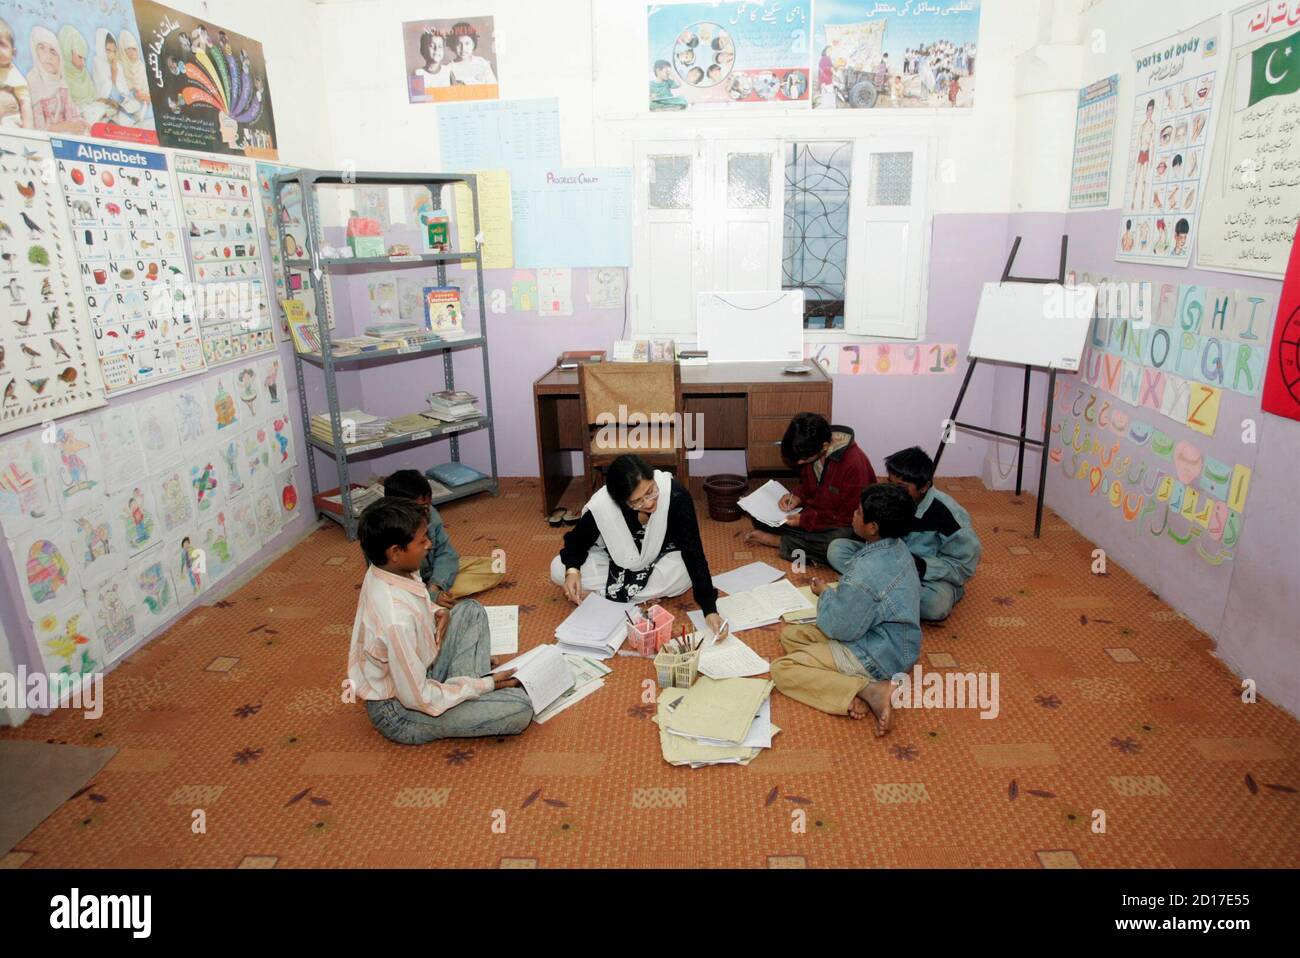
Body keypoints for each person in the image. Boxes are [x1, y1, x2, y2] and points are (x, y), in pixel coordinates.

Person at [347, 497, 532, 745]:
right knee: (520, 709)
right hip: (403, 710)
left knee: (470, 610)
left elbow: (415, 599)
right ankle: (466, 687)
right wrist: (485, 686)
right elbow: (419, 698)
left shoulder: (390, 568)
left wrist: (436, 611)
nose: (429, 545)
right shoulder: (395, 621)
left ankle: (461, 687)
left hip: (422, 670)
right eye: (422, 540)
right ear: (395, 552)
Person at [771, 484, 920, 737]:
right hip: (896, 644)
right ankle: (851, 684)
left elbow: (839, 627)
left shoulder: (866, 573)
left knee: (782, 669)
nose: (853, 513)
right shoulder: (896, 547)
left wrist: (827, 594)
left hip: (878, 655)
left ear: (873, 527)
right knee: (792, 636)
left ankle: (869, 689)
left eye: (859, 512)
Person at [550, 454, 726, 636]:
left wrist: (709, 609)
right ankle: (632, 594)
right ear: (622, 502)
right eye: (637, 501)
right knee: (558, 568)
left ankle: (605, 595)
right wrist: (572, 571)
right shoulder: (605, 506)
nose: (649, 502)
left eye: (650, 490)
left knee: (683, 574)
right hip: (615, 562)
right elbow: (576, 542)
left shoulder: (674, 494)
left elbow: (693, 550)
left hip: (660, 558)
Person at [831, 446, 980, 621]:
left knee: (935, 606)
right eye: (890, 482)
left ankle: (875, 589)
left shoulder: (949, 515)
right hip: (888, 562)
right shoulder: (891, 497)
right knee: (837, 549)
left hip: (925, 574)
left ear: (924, 487)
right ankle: (889, 592)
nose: (893, 490)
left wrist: (921, 566)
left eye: (901, 486)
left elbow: (963, 566)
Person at [743, 413, 876, 566]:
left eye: (804, 459)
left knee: (837, 543)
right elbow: (808, 485)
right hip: (817, 515)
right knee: (761, 518)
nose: (800, 462)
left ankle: (779, 541)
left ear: (825, 446)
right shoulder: (813, 449)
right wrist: (797, 497)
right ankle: (801, 542)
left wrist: (805, 521)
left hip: (845, 524)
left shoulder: (854, 464)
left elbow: (848, 517)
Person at [383, 469, 503, 606]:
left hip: (432, 574)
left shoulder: (430, 514)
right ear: (398, 508)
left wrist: (436, 585)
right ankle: (429, 598)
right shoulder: (384, 532)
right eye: (421, 508)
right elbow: (394, 581)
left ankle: (433, 596)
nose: (427, 512)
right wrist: (429, 594)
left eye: (428, 505)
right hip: (406, 585)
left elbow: (446, 553)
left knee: (496, 568)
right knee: (398, 599)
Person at [27, 25, 86, 133]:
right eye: (42, 48)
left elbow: (73, 115)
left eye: (53, 52)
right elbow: (36, 128)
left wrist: (80, 123)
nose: (48, 56)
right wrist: (65, 126)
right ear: (35, 52)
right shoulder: (32, 83)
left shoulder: (62, 85)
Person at [0, 17, 32, 129]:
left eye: (1, 44)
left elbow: (25, 104)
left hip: (9, 124)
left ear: (13, 53)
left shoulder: (14, 76)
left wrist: (28, 133)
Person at [1131, 99, 1155, 210]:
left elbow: (1153, 144)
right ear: (1146, 111)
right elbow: (1137, 144)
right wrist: (1134, 159)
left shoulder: (1153, 126)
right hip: (1141, 153)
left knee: (1144, 180)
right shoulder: (1142, 126)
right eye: (1148, 110)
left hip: (1147, 153)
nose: (1149, 112)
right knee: (1136, 179)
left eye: (1151, 110)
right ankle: (1132, 201)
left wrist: (1152, 160)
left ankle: (1142, 202)